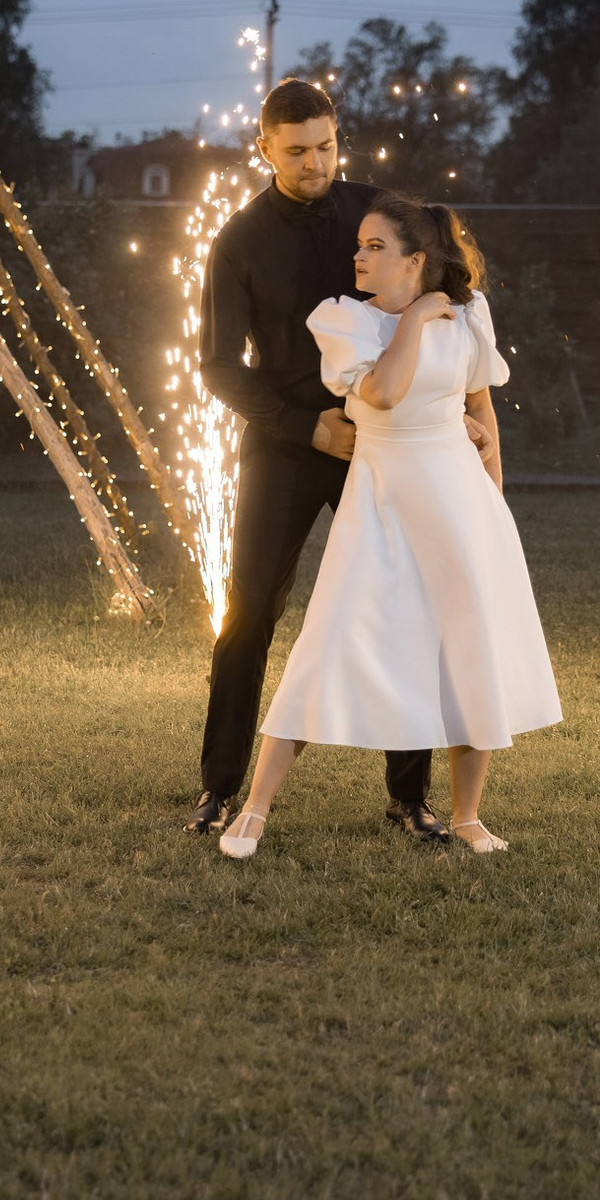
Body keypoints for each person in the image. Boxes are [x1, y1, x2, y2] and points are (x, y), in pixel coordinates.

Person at [218, 195, 560, 859]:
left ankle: (467, 813)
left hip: (458, 502)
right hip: (380, 499)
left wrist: (496, 508)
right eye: (360, 245)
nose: (358, 255)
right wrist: (419, 317)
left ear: (417, 258)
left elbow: (482, 410)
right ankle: (255, 807)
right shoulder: (345, 321)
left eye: (375, 246)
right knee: (329, 639)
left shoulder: (470, 318)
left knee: (467, 648)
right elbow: (381, 393)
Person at [189, 80, 483, 841]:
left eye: (325, 145)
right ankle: (219, 788)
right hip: (288, 445)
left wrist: (468, 414)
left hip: (385, 445)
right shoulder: (238, 241)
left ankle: (408, 797)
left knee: (407, 606)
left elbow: (450, 292)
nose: (314, 161)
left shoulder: (379, 212)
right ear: (265, 149)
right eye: (295, 151)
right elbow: (217, 365)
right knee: (249, 608)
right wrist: (303, 427)